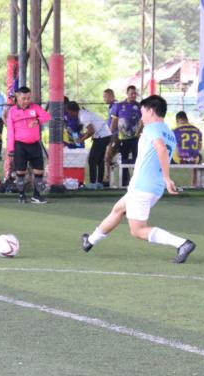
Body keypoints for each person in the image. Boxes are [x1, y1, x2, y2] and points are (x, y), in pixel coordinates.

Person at [81, 95, 196, 264]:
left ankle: (182, 243)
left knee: (137, 231)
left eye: (142, 112)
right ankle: (90, 241)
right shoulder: (169, 132)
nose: (141, 117)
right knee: (118, 210)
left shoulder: (152, 128)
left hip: (142, 187)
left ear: (151, 111)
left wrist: (167, 177)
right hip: (152, 187)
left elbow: (161, 150)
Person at [6, 86, 51, 204]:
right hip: (20, 146)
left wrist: (37, 120)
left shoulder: (35, 107)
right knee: (20, 172)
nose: (26, 101)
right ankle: (21, 195)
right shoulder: (12, 111)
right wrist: (11, 149)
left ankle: (37, 196)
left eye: (29, 98)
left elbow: (47, 116)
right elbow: (10, 131)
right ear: (17, 97)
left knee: (39, 171)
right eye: (24, 98)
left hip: (35, 145)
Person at [66, 101, 112, 189]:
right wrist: (84, 135)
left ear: (72, 111)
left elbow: (91, 131)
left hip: (101, 137)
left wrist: (81, 140)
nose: (69, 114)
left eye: (68, 112)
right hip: (107, 135)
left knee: (92, 160)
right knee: (100, 160)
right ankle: (99, 183)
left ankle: (92, 184)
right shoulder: (84, 113)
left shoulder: (83, 116)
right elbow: (91, 129)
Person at [110, 85, 141, 186]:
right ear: (127, 93)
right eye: (131, 93)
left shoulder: (139, 106)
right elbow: (114, 121)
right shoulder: (119, 105)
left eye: (135, 93)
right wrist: (111, 134)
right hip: (122, 138)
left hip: (136, 138)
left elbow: (142, 121)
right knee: (124, 159)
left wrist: (140, 133)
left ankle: (137, 181)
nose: (133, 95)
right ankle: (124, 182)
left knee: (137, 159)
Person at [172, 111, 203, 186]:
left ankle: (165, 182)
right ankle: (194, 183)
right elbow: (199, 147)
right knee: (198, 156)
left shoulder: (174, 130)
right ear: (187, 119)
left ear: (177, 120)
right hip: (194, 160)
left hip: (178, 160)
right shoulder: (197, 129)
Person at [102, 88, 118, 187]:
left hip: (114, 136)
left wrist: (109, 133)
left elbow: (114, 121)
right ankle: (108, 178)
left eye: (105, 96)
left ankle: (107, 179)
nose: (104, 99)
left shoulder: (115, 106)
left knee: (107, 156)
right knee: (107, 157)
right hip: (112, 135)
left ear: (111, 96)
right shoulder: (112, 106)